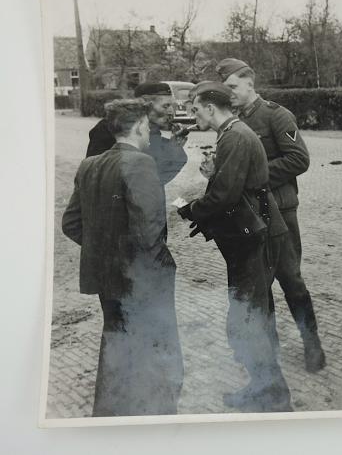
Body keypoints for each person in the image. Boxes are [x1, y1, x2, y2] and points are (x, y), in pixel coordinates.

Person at [62, 98, 183, 416]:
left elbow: (71, 224)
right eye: (148, 126)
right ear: (141, 126)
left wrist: (106, 253)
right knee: (154, 347)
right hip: (142, 279)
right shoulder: (142, 163)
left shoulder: (89, 165)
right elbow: (149, 232)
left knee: (115, 344)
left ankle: (108, 417)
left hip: (106, 278)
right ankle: (157, 420)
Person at [178, 82, 292, 412]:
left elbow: (225, 196)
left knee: (248, 314)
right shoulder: (233, 133)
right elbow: (235, 182)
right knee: (255, 312)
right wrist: (216, 172)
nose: (192, 114)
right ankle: (268, 388)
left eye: (195, 109)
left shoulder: (235, 136)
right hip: (256, 231)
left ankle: (273, 395)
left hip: (256, 235)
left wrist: (190, 208)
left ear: (211, 108)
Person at [216, 58, 326, 373]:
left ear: (250, 82)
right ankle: (270, 347)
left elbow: (298, 159)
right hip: (249, 216)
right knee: (259, 284)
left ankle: (312, 345)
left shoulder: (275, 115)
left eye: (233, 87)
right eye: (226, 90)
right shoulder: (232, 122)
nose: (230, 94)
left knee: (291, 280)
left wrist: (254, 174)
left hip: (281, 210)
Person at [86, 82, 188, 187]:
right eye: (166, 106)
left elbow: (157, 179)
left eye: (173, 106)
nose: (171, 112)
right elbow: (92, 174)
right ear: (144, 105)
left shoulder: (153, 131)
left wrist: (174, 148)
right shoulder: (108, 128)